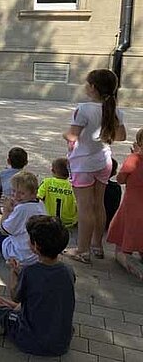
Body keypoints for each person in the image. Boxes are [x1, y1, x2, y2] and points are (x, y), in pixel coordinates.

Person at [0, 216, 75, 357]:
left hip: (30, 339)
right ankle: (8, 316)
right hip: (62, 341)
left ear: (36, 246)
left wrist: (13, 272)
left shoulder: (30, 272)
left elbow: (15, 296)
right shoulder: (68, 270)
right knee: (25, 307)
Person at [63, 69, 126, 264]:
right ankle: (97, 245)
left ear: (92, 87)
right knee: (99, 205)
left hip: (83, 163)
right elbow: (121, 137)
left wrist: (65, 135)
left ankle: (82, 250)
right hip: (104, 162)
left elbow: (73, 135)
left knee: (84, 208)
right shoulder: (115, 110)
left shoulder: (83, 109)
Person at [0, 172, 47, 266]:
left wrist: (6, 211)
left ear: (33, 193)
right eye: (14, 191)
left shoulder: (22, 209)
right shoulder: (40, 204)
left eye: (21, 193)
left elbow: (5, 229)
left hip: (21, 254)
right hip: (37, 254)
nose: (16, 196)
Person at [107, 128, 143, 278]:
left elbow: (121, 179)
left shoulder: (134, 159)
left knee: (121, 246)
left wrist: (133, 154)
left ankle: (127, 261)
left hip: (132, 205)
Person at [37, 158, 78, 228]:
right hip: (69, 223)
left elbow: (38, 197)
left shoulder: (47, 182)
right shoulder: (73, 186)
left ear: (52, 170)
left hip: (49, 220)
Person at [104, 158, 121, 229]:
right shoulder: (116, 187)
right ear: (114, 172)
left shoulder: (93, 187)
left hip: (94, 221)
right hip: (110, 221)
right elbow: (116, 205)